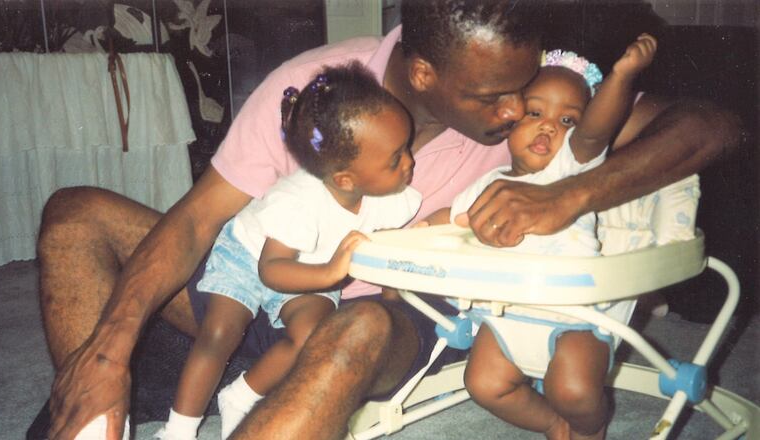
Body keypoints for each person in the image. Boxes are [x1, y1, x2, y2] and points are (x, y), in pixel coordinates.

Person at [37, 1, 739, 439]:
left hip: (390, 322)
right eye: (495, 97)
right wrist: (108, 349)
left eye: (517, 95)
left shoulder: (530, 103)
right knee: (76, 214)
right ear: (425, 73)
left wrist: (569, 196)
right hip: (264, 291)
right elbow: (193, 224)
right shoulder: (313, 86)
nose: (512, 113)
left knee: (358, 323)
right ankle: (95, 418)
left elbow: (716, 123)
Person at [155, 62, 420, 440]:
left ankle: (242, 395)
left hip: (314, 268)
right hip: (252, 258)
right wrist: (331, 273)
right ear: (345, 178)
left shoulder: (391, 196)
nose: (410, 162)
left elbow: (398, 239)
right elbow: (272, 270)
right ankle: (178, 429)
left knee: (314, 337)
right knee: (219, 332)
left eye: (407, 147)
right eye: (396, 158)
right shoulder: (297, 200)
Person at [422, 36, 657, 440]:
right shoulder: (488, 183)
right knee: (483, 384)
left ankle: (589, 425)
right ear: (511, 121)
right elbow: (454, 218)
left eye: (568, 120)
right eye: (535, 112)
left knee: (575, 392)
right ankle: (553, 424)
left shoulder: (569, 171)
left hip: (576, 315)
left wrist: (621, 77)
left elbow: (595, 133)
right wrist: (414, 234)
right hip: (504, 313)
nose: (550, 125)